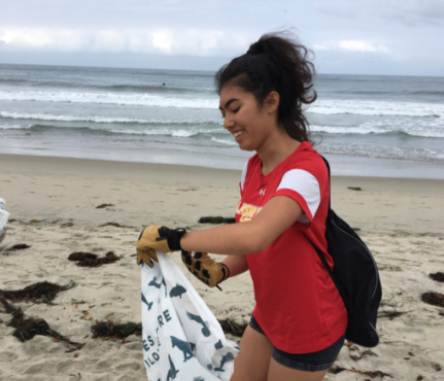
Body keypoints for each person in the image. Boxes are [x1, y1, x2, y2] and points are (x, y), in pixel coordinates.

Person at [137, 32, 347, 381]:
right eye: (222, 112)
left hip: (308, 323)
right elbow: (262, 248)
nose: (227, 122)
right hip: (270, 313)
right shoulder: (253, 167)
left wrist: (176, 239)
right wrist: (222, 271)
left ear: (271, 101)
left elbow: (255, 236)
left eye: (235, 109)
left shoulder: (306, 170)